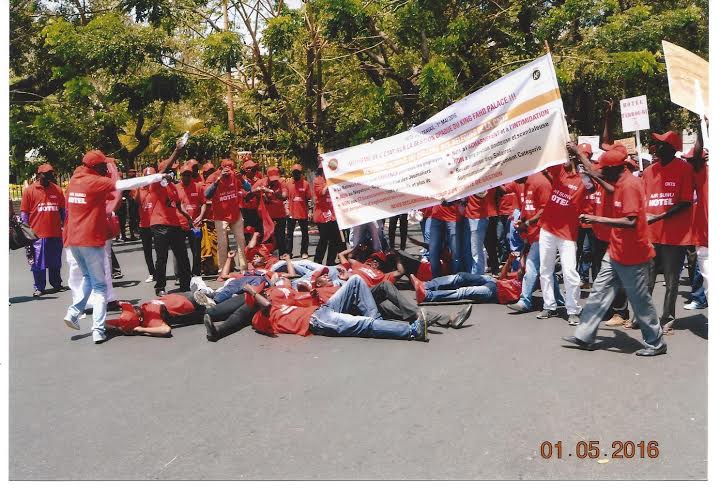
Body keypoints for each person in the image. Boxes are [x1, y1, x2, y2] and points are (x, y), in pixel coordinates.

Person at [562, 143, 666, 356]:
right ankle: (584, 335)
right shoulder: (618, 180)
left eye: (604, 169)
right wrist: (578, 153)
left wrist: (595, 218)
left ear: (614, 168)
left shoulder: (629, 186)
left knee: (640, 301)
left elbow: (630, 221)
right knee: (598, 293)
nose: (601, 171)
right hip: (616, 250)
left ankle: (656, 343)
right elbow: (596, 174)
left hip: (634, 254)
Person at [63, 149, 167, 343]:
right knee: (100, 287)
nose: (106, 168)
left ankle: (73, 313)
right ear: (94, 167)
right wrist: (156, 177)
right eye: (103, 165)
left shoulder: (75, 181)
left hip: (73, 240)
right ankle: (98, 331)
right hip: (90, 240)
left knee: (87, 278)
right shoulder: (94, 181)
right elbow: (126, 184)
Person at [248, 274, 430, 341]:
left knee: (356, 281)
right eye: (260, 294)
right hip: (318, 322)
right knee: (363, 324)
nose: (264, 294)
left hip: (322, 310)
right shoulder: (260, 318)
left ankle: (378, 323)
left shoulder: (278, 302)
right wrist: (250, 290)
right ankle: (412, 331)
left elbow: (290, 289)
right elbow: (265, 305)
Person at [536, 144, 594, 325]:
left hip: (567, 234)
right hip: (547, 228)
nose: (568, 159)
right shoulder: (559, 172)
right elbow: (547, 157)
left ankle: (573, 309)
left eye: (573, 156)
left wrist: (580, 160)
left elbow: (593, 183)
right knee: (545, 269)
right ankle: (549, 306)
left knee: (570, 272)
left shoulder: (584, 180)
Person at [643, 131, 694, 334]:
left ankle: (667, 319)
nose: (657, 147)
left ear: (672, 148)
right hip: (650, 236)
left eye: (661, 144)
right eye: (656, 143)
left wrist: (658, 216)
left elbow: (685, 202)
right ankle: (644, 316)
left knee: (672, 282)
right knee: (647, 281)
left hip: (674, 237)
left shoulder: (684, 169)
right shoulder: (648, 172)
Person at [505, 170, 553, 313]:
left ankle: (525, 301)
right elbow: (529, 209)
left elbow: (546, 209)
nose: (513, 179)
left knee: (531, 267)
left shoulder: (540, 182)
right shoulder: (526, 183)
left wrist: (527, 223)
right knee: (545, 271)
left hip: (542, 233)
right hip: (531, 235)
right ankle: (560, 300)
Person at [20, 163, 67, 297]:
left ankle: (56, 284)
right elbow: (24, 213)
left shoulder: (57, 190)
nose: (49, 177)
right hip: (37, 235)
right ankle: (39, 287)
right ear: (40, 175)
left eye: (51, 174)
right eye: (46, 174)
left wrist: (67, 225)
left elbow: (63, 211)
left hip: (55, 233)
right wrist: (26, 231)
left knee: (55, 261)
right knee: (38, 262)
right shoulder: (30, 190)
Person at [149, 161, 193, 296]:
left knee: (182, 256)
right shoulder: (157, 184)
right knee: (162, 257)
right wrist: (177, 151)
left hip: (174, 225)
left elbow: (178, 206)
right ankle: (160, 287)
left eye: (173, 171)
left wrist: (188, 217)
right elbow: (161, 174)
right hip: (160, 224)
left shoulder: (174, 187)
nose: (172, 173)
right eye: (170, 171)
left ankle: (186, 284)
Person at [410, 254, 522, 305]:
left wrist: (524, 267)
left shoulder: (532, 279)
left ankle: (426, 295)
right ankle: (425, 285)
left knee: (464, 292)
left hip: (496, 293)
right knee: (461, 276)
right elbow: (503, 277)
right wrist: (509, 261)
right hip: (495, 282)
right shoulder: (522, 270)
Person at [204, 158, 250, 272]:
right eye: (226, 169)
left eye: (231, 168)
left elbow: (248, 188)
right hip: (220, 215)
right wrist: (218, 180)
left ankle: (244, 268)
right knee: (222, 243)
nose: (228, 171)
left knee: (241, 240)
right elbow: (207, 195)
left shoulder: (235, 175)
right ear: (221, 168)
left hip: (235, 213)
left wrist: (242, 180)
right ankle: (223, 269)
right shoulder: (214, 177)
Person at [105, 293, 206, 338]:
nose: (135, 309)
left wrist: (141, 329)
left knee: (214, 299)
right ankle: (206, 292)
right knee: (213, 296)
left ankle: (207, 294)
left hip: (186, 301)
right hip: (183, 299)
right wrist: (120, 327)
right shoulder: (146, 314)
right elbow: (165, 330)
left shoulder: (148, 318)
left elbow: (166, 330)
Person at [313, 159, 344, 265]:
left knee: (335, 239)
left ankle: (330, 261)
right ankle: (317, 260)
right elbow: (322, 192)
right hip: (322, 215)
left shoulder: (333, 179)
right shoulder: (318, 180)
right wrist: (329, 183)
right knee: (324, 239)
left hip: (333, 215)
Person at [177, 164, 205, 276]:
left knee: (196, 251)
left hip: (195, 225)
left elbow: (203, 203)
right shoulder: (176, 188)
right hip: (180, 224)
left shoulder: (198, 187)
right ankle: (182, 274)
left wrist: (201, 216)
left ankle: (196, 274)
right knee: (180, 252)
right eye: (184, 175)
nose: (187, 177)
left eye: (189, 175)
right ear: (180, 176)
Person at [253, 166, 289, 255]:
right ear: (267, 176)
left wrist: (271, 191)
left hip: (279, 215)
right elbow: (251, 192)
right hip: (266, 216)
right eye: (272, 179)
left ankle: (283, 257)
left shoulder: (281, 183)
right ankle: (267, 257)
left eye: (275, 178)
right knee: (267, 237)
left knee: (280, 236)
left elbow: (284, 197)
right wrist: (257, 191)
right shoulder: (261, 182)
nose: (274, 181)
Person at [462, 189, 497, 275]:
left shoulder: (481, 181)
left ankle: (477, 275)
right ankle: (474, 273)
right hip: (469, 216)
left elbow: (482, 194)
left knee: (476, 250)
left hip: (478, 217)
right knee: (471, 249)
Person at [285, 164, 312, 258]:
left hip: (303, 212)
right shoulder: (288, 183)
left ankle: (304, 252)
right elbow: (285, 198)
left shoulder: (306, 184)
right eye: (294, 172)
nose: (296, 174)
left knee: (305, 233)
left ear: (301, 173)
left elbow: (309, 199)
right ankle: (288, 252)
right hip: (291, 212)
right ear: (292, 173)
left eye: (298, 172)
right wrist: (286, 209)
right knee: (289, 234)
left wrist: (310, 211)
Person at [136, 167, 157, 283]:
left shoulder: (157, 188)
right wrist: (140, 187)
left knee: (160, 250)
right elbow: (136, 201)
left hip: (156, 223)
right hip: (144, 224)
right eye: (146, 176)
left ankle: (159, 272)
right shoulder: (140, 188)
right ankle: (151, 272)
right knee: (147, 251)